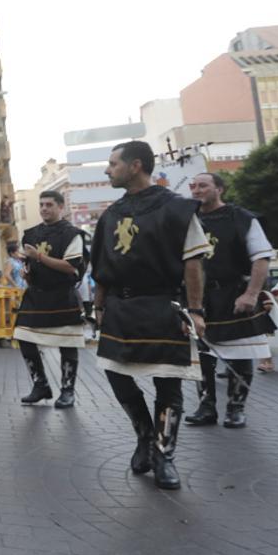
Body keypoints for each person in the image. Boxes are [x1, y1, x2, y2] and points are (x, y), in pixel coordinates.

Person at [91, 141, 210, 490]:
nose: (107, 169)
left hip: (162, 305)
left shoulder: (176, 209)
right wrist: (98, 306)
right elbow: (102, 267)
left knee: (168, 382)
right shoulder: (112, 214)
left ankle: (163, 454)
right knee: (117, 376)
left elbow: (193, 262)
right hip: (120, 308)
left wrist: (196, 310)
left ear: (136, 165)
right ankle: (144, 434)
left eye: (113, 163)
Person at [183, 173, 276, 429]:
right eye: (193, 186)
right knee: (202, 354)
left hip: (233, 292)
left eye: (203, 185)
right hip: (197, 296)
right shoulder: (188, 219)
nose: (197, 190)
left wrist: (251, 294)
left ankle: (236, 407)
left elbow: (261, 258)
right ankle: (206, 405)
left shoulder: (242, 218)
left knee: (240, 352)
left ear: (220, 189)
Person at [13, 190, 87, 408]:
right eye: (41, 204)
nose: (44, 208)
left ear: (60, 207)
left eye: (49, 205)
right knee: (23, 337)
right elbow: (28, 264)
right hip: (35, 295)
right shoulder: (30, 234)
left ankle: (67, 390)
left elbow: (71, 267)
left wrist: (40, 257)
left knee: (67, 342)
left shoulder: (72, 234)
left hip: (62, 295)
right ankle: (40, 384)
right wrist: (26, 272)